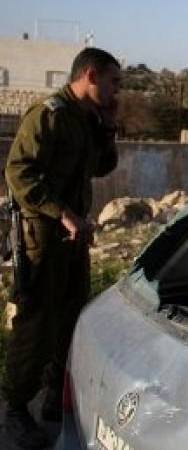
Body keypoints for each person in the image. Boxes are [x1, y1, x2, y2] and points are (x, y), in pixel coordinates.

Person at [3, 47, 120, 448]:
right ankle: (16, 409)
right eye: (113, 82)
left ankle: (56, 396)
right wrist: (62, 213)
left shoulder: (87, 118)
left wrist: (108, 127)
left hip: (73, 237)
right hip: (42, 237)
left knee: (72, 316)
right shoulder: (49, 114)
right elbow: (19, 171)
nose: (117, 91)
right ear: (91, 75)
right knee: (36, 321)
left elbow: (102, 166)